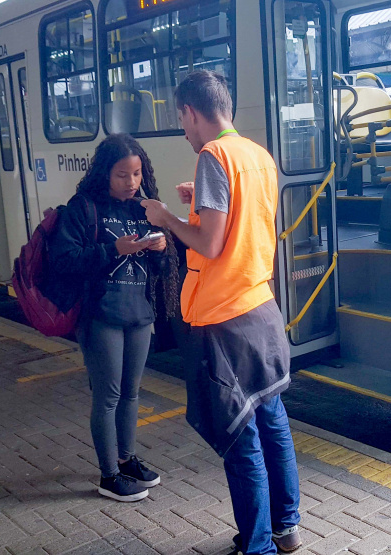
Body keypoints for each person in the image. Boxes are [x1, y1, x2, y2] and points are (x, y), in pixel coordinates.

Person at [141, 70, 302, 555]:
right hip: (261, 308)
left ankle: (258, 547)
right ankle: (286, 528)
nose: (184, 131)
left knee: (241, 437)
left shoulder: (213, 156)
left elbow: (210, 244)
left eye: (181, 121)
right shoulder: (257, 155)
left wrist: (167, 218)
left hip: (224, 318)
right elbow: (242, 224)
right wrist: (198, 203)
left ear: (191, 112)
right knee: (273, 420)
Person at [49, 133, 180, 502]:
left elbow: (164, 268)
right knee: (108, 397)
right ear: (104, 173)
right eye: (122, 175)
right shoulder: (84, 207)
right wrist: (113, 249)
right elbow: (64, 260)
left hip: (139, 314)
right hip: (101, 315)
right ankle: (109, 476)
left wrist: (160, 248)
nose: (131, 182)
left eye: (136, 174)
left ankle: (127, 459)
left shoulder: (143, 208)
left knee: (131, 393)